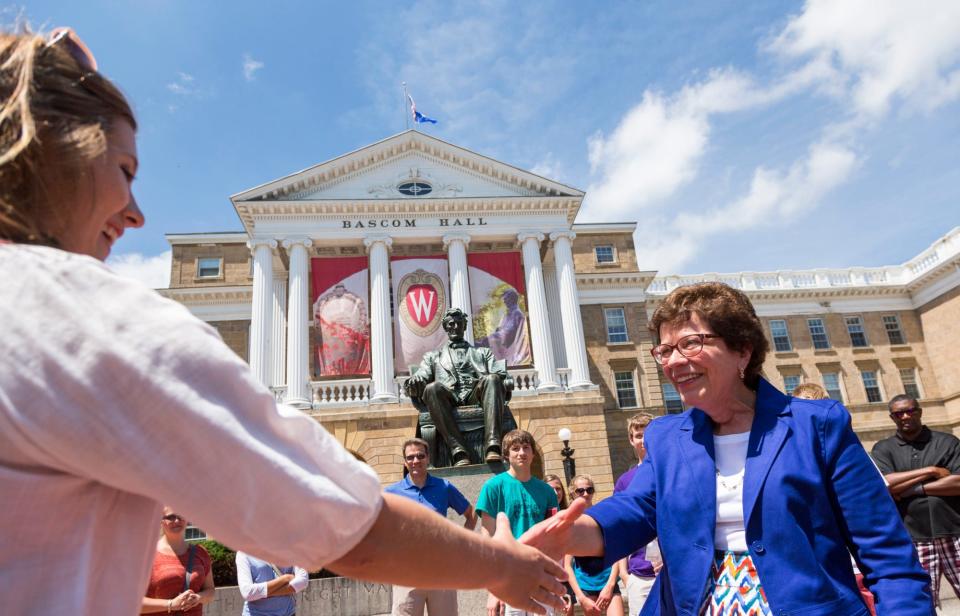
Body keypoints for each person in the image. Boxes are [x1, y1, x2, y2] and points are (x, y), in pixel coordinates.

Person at [0, 27, 567, 615]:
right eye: (123, 169)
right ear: (57, 154)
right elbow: (342, 525)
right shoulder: (97, 327)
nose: (137, 213)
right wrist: (499, 565)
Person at [520, 282, 932, 615]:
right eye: (664, 350)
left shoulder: (817, 426)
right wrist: (570, 533)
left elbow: (887, 555)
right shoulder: (666, 437)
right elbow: (634, 509)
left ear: (742, 350)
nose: (672, 361)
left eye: (691, 343)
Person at [872, 395, 960, 608]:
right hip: (913, 538)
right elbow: (886, 485)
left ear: (919, 411)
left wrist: (913, 489)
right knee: (922, 602)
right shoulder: (883, 449)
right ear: (892, 418)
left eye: (910, 411)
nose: (905, 416)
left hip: (955, 532)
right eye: (899, 413)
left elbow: (958, 482)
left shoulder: (947, 442)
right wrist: (931, 471)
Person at [385, 438, 478, 615]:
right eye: (410, 457)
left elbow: (471, 515)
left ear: (428, 458)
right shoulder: (391, 493)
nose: (415, 461)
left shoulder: (444, 487)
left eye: (420, 456)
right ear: (405, 461)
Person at [406, 307, 510, 465]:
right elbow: (422, 375)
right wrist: (415, 381)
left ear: (465, 326)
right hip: (449, 398)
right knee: (431, 388)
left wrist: (505, 380)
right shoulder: (433, 357)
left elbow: (500, 374)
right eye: (450, 324)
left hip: (477, 395)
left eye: (458, 323)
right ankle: (458, 450)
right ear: (446, 327)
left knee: (492, 379)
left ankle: (493, 446)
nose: (454, 327)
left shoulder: (483, 353)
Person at [477, 429, 559, 616]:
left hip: (540, 572)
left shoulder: (547, 491)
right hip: (507, 575)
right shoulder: (493, 487)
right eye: (515, 449)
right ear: (506, 455)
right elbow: (487, 538)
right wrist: (493, 589)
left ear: (533, 453)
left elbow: (554, 536)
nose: (521, 453)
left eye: (526, 447)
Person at [613, 413, 659, 616]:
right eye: (638, 435)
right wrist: (624, 572)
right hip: (639, 575)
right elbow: (620, 527)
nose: (643, 440)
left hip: (672, 570)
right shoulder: (625, 481)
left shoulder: (670, 472)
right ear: (631, 440)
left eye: (648, 434)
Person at [565, 475, 624, 616]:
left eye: (589, 490)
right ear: (572, 493)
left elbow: (616, 551)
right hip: (586, 585)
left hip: (607, 580)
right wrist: (581, 596)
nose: (585, 494)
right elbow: (567, 565)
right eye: (580, 490)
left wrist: (610, 585)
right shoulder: (570, 521)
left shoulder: (604, 514)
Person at [141, 509, 215, 614]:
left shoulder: (201, 553)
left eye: (181, 515)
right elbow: (132, 602)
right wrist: (171, 604)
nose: (177, 520)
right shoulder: (146, 555)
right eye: (171, 517)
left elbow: (210, 591)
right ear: (160, 520)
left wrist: (198, 598)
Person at [236, 551, 308, 616]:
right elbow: (247, 592)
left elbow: (303, 580)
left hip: (288, 613)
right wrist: (285, 579)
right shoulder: (244, 553)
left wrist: (264, 594)